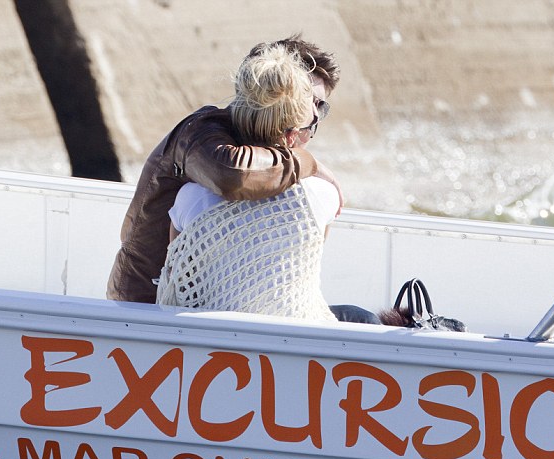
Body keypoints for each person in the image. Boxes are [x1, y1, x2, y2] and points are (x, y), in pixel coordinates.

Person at [107, 34, 341, 305]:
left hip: (215, 304)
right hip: (147, 305)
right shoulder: (201, 133)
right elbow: (233, 175)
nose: (312, 119)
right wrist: (307, 163)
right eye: (310, 102)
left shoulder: (274, 166)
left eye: (321, 108)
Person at [157, 44, 379, 325]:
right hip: (294, 331)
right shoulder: (322, 196)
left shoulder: (189, 197)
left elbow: (177, 275)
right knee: (365, 320)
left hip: (209, 337)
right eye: (310, 125)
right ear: (290, 137)